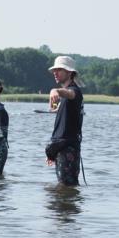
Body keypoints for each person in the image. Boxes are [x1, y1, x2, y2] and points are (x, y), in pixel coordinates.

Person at [45, 55, 85, 186]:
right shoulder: (64, 95)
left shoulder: (74, 91)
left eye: (59, 70)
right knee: (64, 190)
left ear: (69, 72)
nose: (55, 73)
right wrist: (53, 152)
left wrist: (55, 90)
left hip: (68, 149)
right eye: (54, 70)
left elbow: (70, 94)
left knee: (66, 187)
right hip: (62, 148)